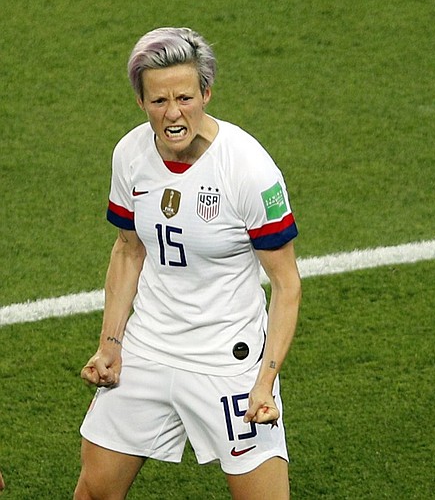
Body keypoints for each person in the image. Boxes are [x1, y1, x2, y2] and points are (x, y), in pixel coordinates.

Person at [74, 27, 302, 500]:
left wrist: (265, 381)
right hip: (149, 348)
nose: (173, 114)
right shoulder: (130, 155)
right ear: (141, 101)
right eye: (159, 101)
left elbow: (286, 284)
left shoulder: (248, 169)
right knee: (94, 493)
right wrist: (111, 345)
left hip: (227, 361)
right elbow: (128, 249)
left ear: (206, 93)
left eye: (184, 97)